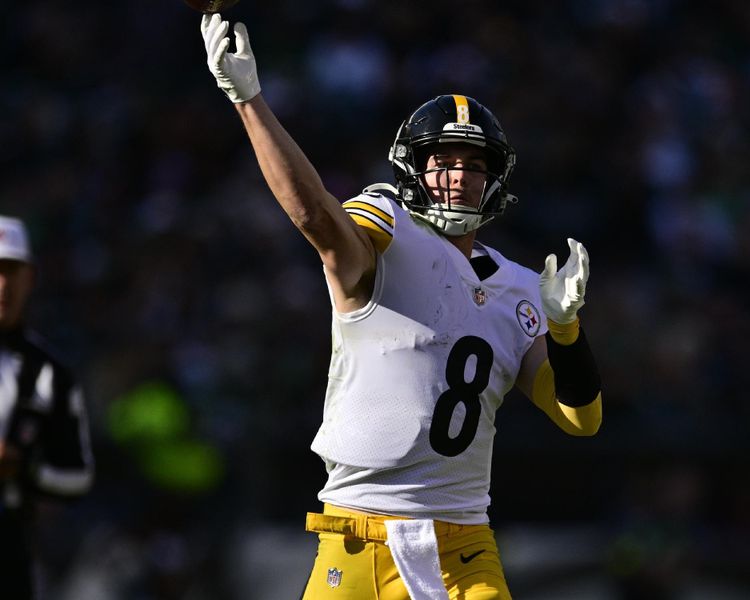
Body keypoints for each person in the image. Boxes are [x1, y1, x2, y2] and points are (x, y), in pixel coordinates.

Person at [200, 13, 602, 599]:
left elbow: (580, 419)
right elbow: (316, 218)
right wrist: (250, 102)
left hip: (463, 548)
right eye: (443, 160)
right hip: (356, 537)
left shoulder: (521, 287)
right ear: (414, 167)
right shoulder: (386, 224)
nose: (459, 176)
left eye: (474, 164)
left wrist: (566, 329)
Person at [0, 216, 94, 599]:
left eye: (12, 270)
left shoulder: (50, 373)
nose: (3, 284)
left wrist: (25, 468)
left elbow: (78, 477)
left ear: (31, 278)